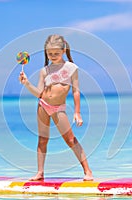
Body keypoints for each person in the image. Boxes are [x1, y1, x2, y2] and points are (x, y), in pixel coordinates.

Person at [19, 34, 93, 181]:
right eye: (50, 54)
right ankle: (40, 173)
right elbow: (39, 94)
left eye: (56, 53)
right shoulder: (44, 71)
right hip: (43, 106)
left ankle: (88, 171)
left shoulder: (71, 68)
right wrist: (26, 83)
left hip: (58, 108)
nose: (53, 56)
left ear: (63, 51)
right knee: (42, 140)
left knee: (71, 140)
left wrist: (77, 112)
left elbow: (76, 90)